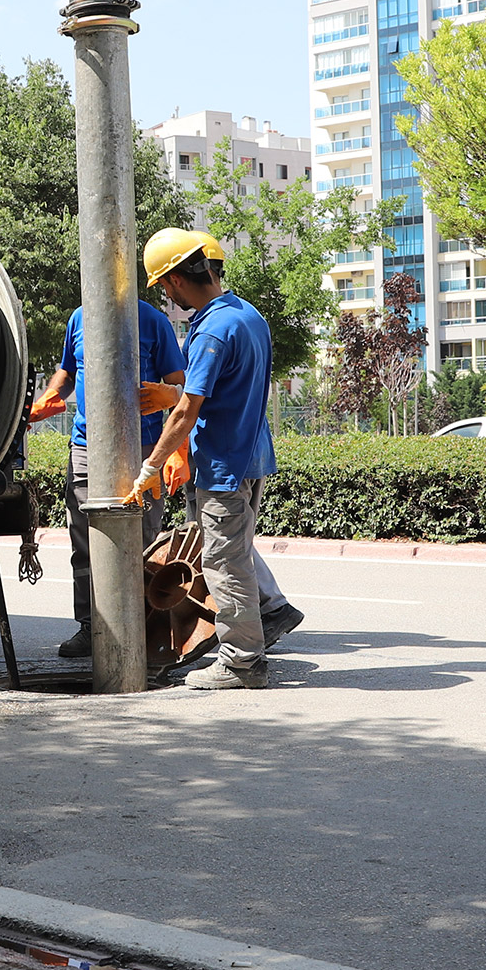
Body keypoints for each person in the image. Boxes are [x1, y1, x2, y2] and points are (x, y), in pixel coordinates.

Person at [129, 228, 301, 689]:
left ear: (176, 280)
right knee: (235, 557)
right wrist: (172, 391)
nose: (165, 294)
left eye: (163, 285)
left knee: (225, 565)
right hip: (250, 458)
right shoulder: (248, 316)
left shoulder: (211, 330)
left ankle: (242, 662)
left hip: (223, 467)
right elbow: (225, 388)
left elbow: (187, 411)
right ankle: (249, 647)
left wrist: (150, 468)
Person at [30, 298, 185, 658]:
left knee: (142, 539)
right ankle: (90, 626)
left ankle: (141, 629)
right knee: (85, 541)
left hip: (143, 446)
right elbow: (67, 373)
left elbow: (179, 386)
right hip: (86, 446)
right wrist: (51, 395)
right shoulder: (79, 317)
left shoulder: (153, 320)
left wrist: (177, 446)